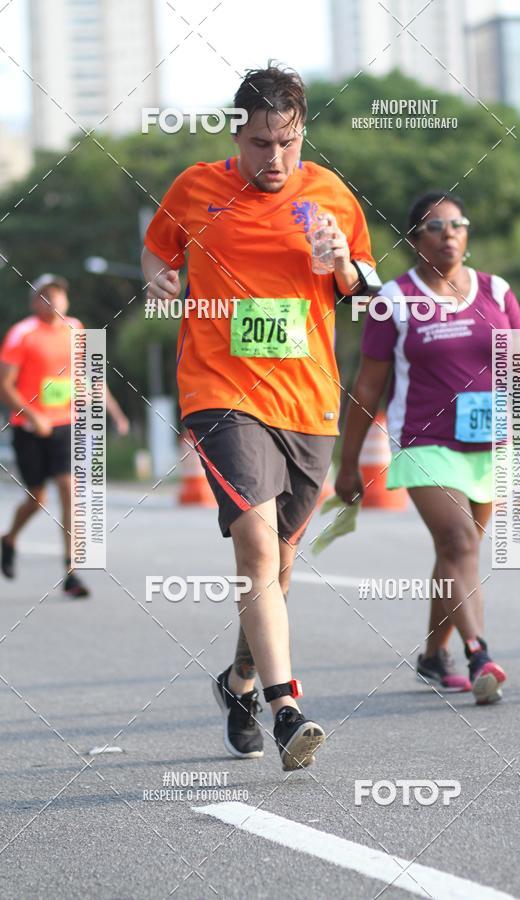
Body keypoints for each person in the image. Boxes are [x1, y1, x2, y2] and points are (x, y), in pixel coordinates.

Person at [142, 65, 379, 770]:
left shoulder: (330, 196)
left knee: (277, 569)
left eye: (288, 142)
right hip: (221, 393)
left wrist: (344, 267)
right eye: (261, 143)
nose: (274, 159)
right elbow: (157, 249)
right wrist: (156, 278)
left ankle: (239, 682)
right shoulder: (195, 188)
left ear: (302, 133)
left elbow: (366, 293)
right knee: (255, 547)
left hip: (308, 403)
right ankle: (285, 709)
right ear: (235, 134)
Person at [335, 191, 520, 705]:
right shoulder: (394, 299)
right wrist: (347, 467)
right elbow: (367, 387)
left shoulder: (496, 291)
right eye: (436, 227)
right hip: (424, 443)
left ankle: (433, 657)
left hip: (489, 443)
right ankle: (479, 653)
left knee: (457, 552)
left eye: (458, 224)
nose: (449, 234)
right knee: (458, 543)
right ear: (415, 240)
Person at [0, 274, 130, 597]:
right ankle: (9, 538)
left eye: (58, 294)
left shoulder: (77, 328)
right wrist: (33, 416)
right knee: (36, 497)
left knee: (69, 488)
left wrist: (115, 412)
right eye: (46, 295)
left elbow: (90, 375)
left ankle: (71, 572)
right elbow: (5, 386)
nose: (55, 300)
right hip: (28, 427)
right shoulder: (21, 335)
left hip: (65, 423)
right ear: (35, 303)